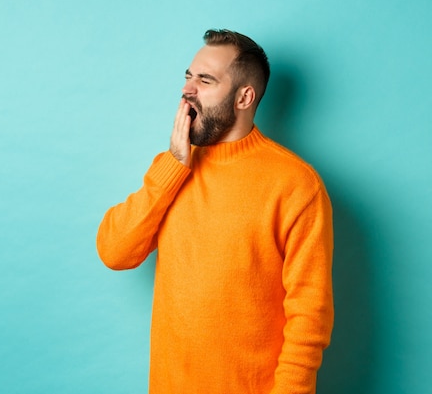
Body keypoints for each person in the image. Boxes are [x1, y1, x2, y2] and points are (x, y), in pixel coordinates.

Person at [97, 29, 334, 394]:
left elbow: (309, 316)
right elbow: (114, 252)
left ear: (244, 96)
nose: (187, 90)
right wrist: (173, 166)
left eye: (205, 80)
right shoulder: (172, 169)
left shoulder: (295, 184)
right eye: (188, 77)